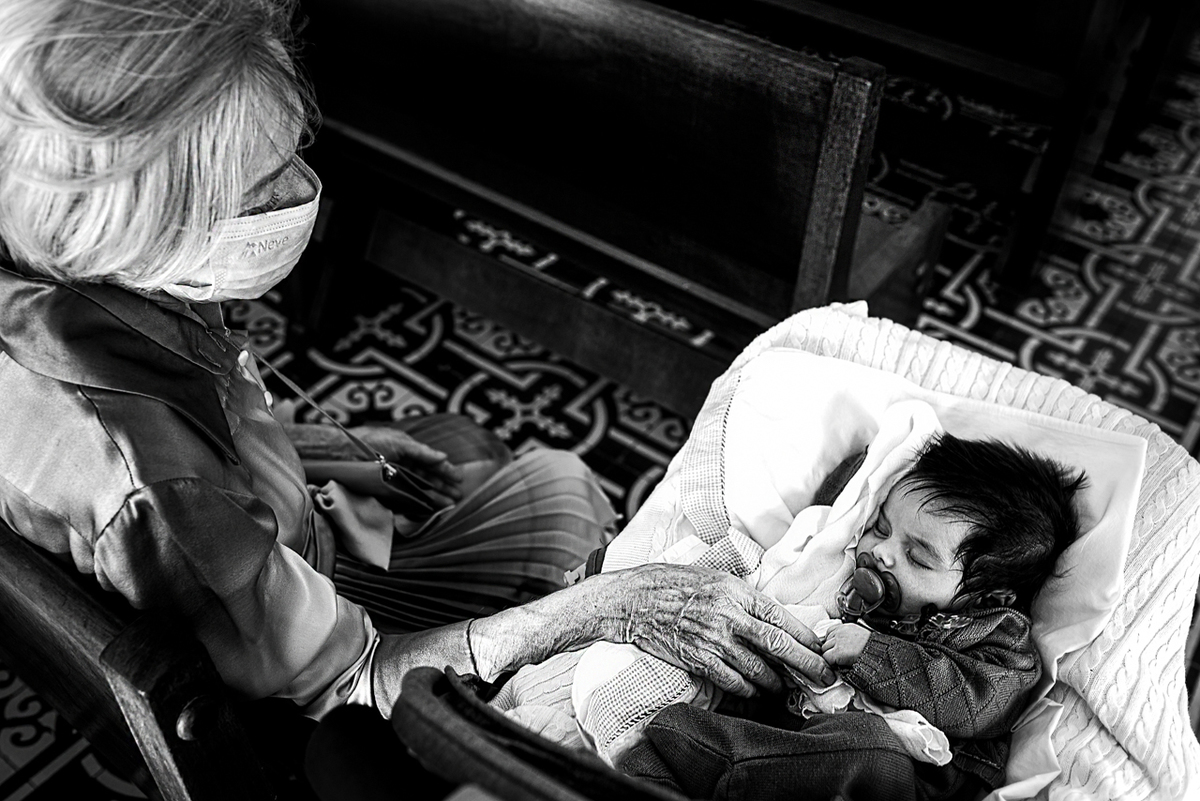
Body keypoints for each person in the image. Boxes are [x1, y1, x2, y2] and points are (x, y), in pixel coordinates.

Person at [0, 0, 833, 742]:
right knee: (564, 497)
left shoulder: (54, 268)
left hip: (260, 564)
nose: (302, 189)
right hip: (321, 689)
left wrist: (320, 446)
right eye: (259, 188)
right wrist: (607, 607)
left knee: (457, 448)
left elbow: (187, 446)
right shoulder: (160, 488)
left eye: (293, 153)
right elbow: (346, 684)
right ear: (139, 224)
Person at [617, 433, 1088, 801]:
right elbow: (825, 522)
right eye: (880, 527)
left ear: (987, 595)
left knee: (866, 747)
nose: (881, 552)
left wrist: (871, 652)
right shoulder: (848, 589)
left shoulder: (999, 638)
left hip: (906, 781)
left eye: (918, 558)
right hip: (793, 748)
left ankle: (709, 761)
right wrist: (863, 470)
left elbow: (979, 703)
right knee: (665, 740)